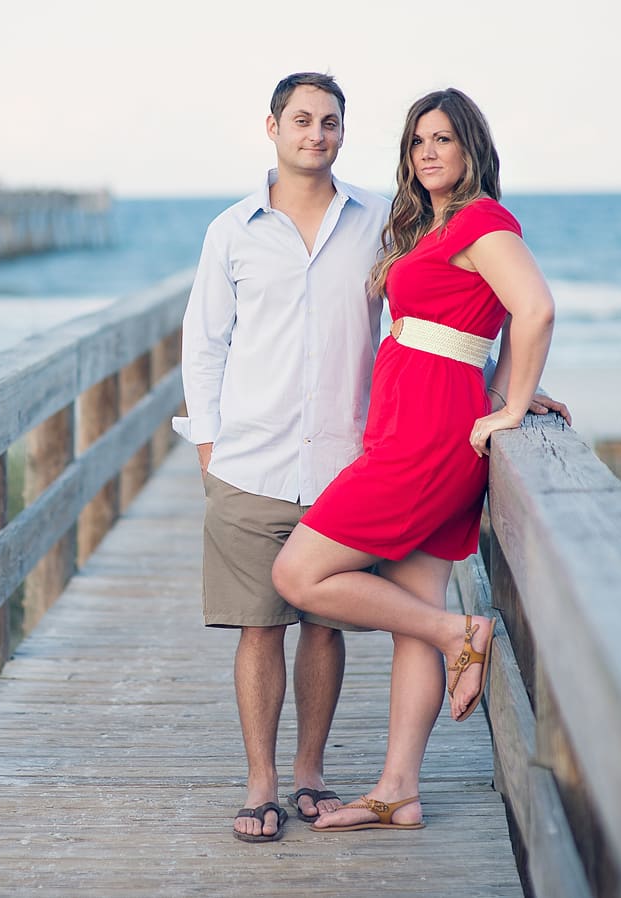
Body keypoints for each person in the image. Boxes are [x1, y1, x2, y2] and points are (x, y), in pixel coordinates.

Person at [271, 87, 568, 833]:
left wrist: (511, 399)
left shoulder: (481, 221)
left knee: (299, 574)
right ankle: (399, 788)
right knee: (413, 611)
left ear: (471, 148)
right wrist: (503, 386)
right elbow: (474, 326)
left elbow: (534, 309)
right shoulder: (427, 225)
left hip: (431, 439)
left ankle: (457, 636)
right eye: (417, 142)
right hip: (410, 424)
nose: (428, 152)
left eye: (443, 139)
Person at [173, 72, 389, 843]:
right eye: (302, 120)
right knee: (258, 627)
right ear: (271, 127)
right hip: (250, 465)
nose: (317, 133)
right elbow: (204, 344)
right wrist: (208, 448)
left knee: (324, 625)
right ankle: (260, 781)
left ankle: (309, 773)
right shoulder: (231, 231)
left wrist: (510, 383)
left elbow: (436, 304)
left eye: (330, 121)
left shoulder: (378, 222)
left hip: (345, 464)